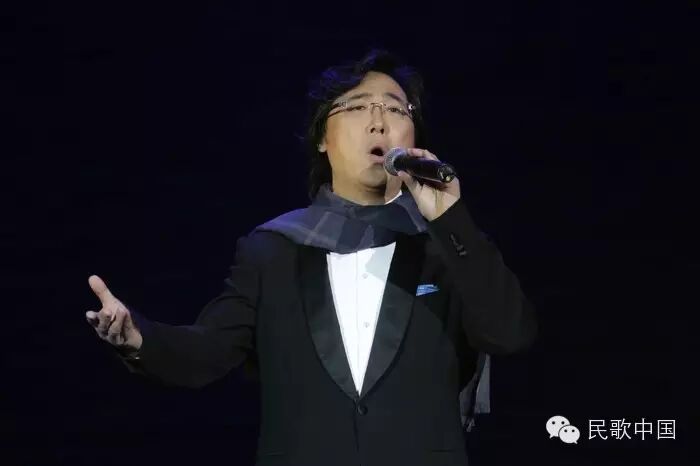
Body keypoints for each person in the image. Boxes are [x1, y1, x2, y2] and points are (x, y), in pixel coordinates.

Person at [85, 49, 537, 466]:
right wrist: (137, 338)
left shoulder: (448, 247)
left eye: (397, 110)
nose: (379, 123)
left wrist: (450, 220)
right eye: (357, 107)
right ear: (322, 137)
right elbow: (208, 351)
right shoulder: (273, 249)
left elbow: (510, 333)